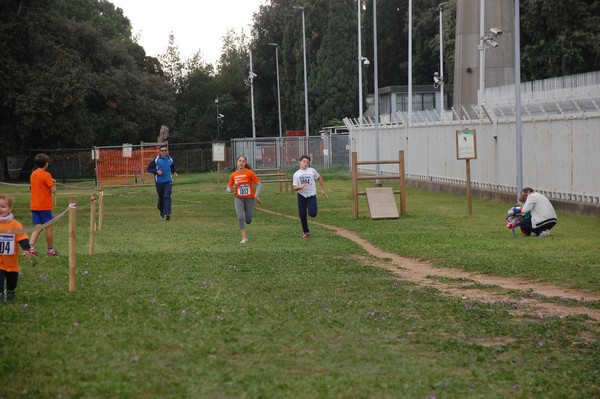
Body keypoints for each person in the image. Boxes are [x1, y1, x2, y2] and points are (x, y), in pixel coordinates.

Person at [0, 195, 32, 302]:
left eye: (3, 207)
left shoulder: (15, 224)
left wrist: (26, 249)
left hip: (11, 261)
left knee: (12, 279)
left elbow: (22, 238)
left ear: (10, 208)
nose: (0, 209)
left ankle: (10, 291)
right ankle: (0, 294)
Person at [226, 155, 262, 244]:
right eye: (240, 161)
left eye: (243, 161)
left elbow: (258, 184)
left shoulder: (249, 173)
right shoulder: (233, 175)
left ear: (245, 163)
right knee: (240, 217)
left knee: (248, 220)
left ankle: (247, 214)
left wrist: (256, 195)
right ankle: (244, 237)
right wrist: (231, 189)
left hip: (249, 198)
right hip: (238, 198)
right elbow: (228, 188)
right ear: (237, 162)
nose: (241, 162)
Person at [29, 153, 59, 256]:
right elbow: (53, 190)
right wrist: (53, 183)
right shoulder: (47, 175)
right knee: (48, 228)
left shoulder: (33, 174)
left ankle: (31, 247)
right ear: (46, 164)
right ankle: (50, 250)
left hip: (34, 205)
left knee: (38, 227)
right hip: (44, 206)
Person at [292, 155, 328, 239]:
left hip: (311, 195)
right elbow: (294, 188)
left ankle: (311, 207)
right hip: (301, 195)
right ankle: (306, 232)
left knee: (312, 213)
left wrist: (323, 190)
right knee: (302, 214)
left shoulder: (312, 171)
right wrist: (300, 186)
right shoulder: (296, 174)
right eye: (304, 161)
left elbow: (319, 178)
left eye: (307, 162)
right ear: (300, 162)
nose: (305, 164)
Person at [147, 144, 178, 220]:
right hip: (159, 182)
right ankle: (161, 210)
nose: (164, 152)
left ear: (167, 151)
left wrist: (174, 172)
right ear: (159, 151)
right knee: (161, 197)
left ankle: (167, 213)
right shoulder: (156, 160)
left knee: (167, 196)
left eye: (165, 150)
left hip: (168, 181)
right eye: (162, 150)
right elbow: (149, 169)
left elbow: (172, 166)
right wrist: (156, 171)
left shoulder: (170, 159)